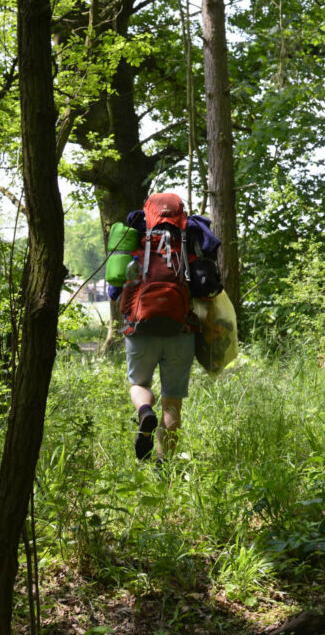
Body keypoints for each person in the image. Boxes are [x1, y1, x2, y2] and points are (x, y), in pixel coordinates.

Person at [109, 192, 221, 464]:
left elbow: (114, 292)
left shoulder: (134, 243)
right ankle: (164, 466)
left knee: (139, 384)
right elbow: (207, 290)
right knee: (173, 403)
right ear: (180, 214)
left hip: (139, 330)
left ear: (148, 214)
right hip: (180, 332)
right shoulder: (190, 244)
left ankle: (145, 411)